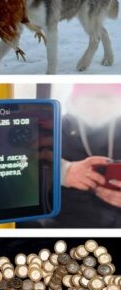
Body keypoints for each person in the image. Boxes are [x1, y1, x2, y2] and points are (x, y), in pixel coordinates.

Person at [55, 84, 121, 227]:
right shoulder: (52, 124)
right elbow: (23, 164)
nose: (100, 107)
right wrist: (62, 171)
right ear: (76, 99)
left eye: (108, 100)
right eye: (90, 99)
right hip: (64, 218)